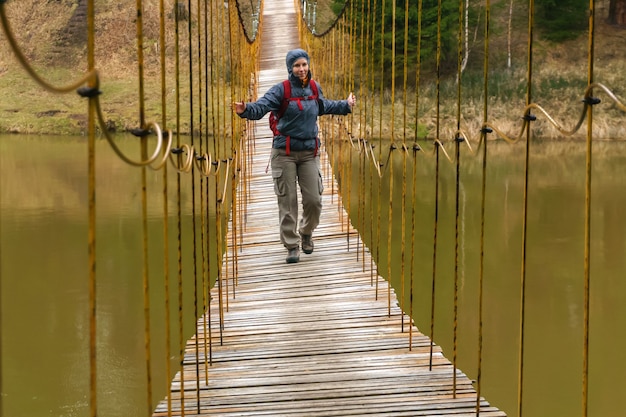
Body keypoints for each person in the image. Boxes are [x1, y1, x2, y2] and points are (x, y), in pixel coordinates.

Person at [234, 48, 356, 264]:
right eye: (297, 65)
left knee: (314, 200)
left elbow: (323, 106)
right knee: (287, 202)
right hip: (284, 153)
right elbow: (261, 107)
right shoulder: (281, 90)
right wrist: (245, 110)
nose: (301, 69)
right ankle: (291, 245)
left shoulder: (314, 87)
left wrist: (345, 106)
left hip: (309, 153)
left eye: (304, 65)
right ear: (290, 68)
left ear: (308, 65)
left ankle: (306, 232)